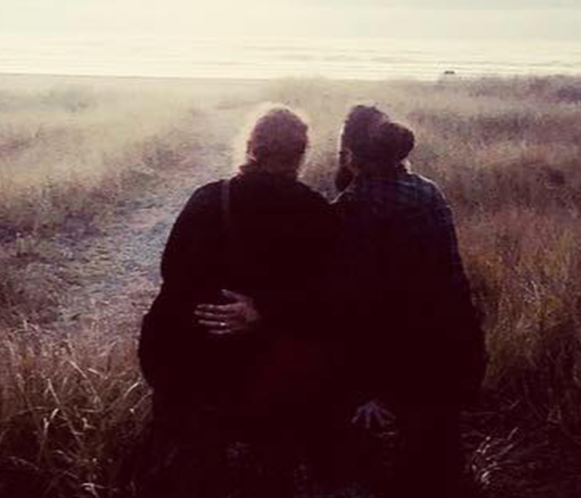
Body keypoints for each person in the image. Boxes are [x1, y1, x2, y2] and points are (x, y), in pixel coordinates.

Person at [137, 105, 339, 498]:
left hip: (189, 357)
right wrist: (263, 311)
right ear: (301, 153)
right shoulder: (317, 211)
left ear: (251, 147)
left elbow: (173, 273)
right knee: (270, 458)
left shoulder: (210, 197)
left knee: (192, 459)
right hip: (266, 366)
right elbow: (330, 296)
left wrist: (217, 310)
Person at [333, 105, 487, 498]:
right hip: (443, 340)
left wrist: (365, 384)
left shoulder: (347, 210)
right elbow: (450, 278)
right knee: (437, 446)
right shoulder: (428, 191)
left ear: (351, 155)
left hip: (385, 353)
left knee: (369, 450)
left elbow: (356, 306)